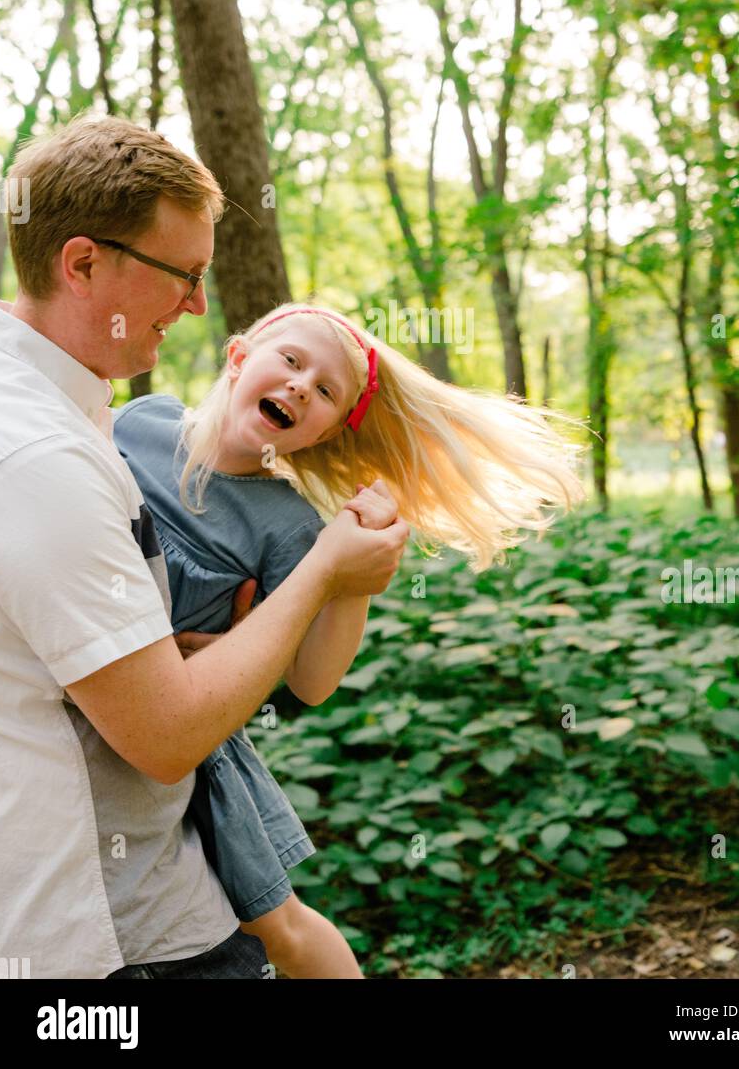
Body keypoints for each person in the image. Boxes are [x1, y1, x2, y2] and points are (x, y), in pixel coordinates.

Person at [0, 117, 408, 979]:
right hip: (97, 919)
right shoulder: (60, 449)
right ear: (81, 264)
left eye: (325, 390)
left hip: (135, 856)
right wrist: (326, 572)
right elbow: (167, 728)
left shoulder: (66, 407)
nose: (197, 303)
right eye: (183, 275)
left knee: (283, 924)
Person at [112, 300, 585, 979]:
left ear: (327, 433)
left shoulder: (287, 525)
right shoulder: (139, 421)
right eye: (291, 361)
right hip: (91, 693)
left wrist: (353, 575)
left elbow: (312, 680)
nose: (302, 384)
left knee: (277, 927)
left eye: (326, 390)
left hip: (187, 734)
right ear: (239, 355)